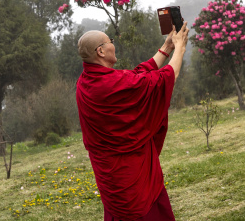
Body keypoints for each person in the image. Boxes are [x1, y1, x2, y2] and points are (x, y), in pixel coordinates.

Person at [76, 23, 189, 221]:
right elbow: (165, 79)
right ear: (101, 51)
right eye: (110, 41)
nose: (113, 44)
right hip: (131, 177)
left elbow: (137, 75)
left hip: (111, 178)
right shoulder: (106, 85)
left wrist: (166, 48)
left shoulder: (86, 81)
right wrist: (180, 48)